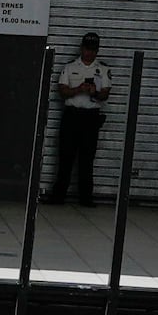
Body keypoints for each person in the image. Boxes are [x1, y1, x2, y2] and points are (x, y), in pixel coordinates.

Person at [50, 31, 111, 205]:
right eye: (87, 49)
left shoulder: (103, 69)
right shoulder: (70, 67)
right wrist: (79, 89)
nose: (89, 53)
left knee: (87, 158)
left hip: (90, 117)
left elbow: (105, 95)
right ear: (81, 48)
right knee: (65, 157)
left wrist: (95, 92)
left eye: (93, 50)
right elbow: (62, 91)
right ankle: (58, 196)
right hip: (72, 116)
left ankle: (86, 198)